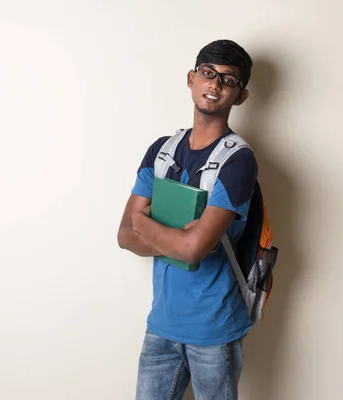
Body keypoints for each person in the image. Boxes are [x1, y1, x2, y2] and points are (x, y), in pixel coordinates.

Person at [117, 39, 257, 400]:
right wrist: (177, 237)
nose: (215, 84)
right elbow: (123, 235)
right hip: (161, 324)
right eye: (208, 73)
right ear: (192, 78)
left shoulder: (238, 161)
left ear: (240, 96)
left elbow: (194, 250)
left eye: (228, 80)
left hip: (214, 331)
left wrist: (145, 223)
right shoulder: (162, 150)